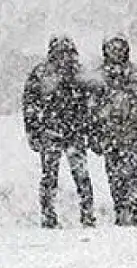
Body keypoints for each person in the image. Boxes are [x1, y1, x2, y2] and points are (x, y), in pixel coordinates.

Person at [22, 36, 97, 228]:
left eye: (66, 52)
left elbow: (91, 105)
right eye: (60, 52)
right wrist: (33, 130)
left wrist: (89, 127)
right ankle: (50, 215)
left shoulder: (77, 74)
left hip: (71, 132)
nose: (64, 57)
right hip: (53, 132)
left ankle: (86, 215)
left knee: (78, 175)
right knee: (52, 176)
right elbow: (30, 104)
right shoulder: (43, 74)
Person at [89, 36, 137, 226]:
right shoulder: (98, 78)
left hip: (130, 135)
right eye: (113, 49)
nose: (116, 53)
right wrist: (93, 135)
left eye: (120, 49)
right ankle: (120, 209)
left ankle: (131, 211)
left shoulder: (136, 76)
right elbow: (91, 110)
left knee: (130, 174)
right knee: (113, 175)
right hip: (108, 136)